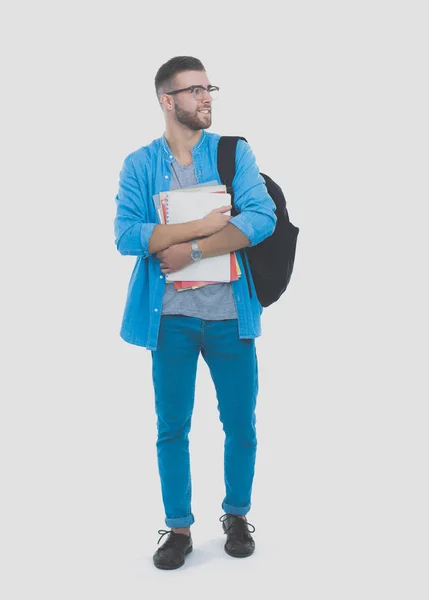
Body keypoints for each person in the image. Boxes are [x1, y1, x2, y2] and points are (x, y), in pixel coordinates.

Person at [114, 56, 277, 570]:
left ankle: (235, 515)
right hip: (172, 319)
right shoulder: (140, 165)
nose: (207, 97)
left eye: (210, 87)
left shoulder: (233, 153)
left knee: (241, 425)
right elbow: (127, 236)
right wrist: (205, 224)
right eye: (194, 90)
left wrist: (190, 249)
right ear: (168, 100)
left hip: (231, 315)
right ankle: (179, 528)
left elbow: (261, 217)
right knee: (171, 427)